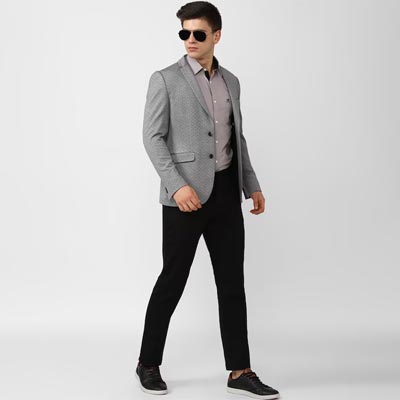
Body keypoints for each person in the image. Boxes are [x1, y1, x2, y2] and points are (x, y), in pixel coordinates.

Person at [136, 2, 280, 398]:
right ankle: (148, 363)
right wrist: (176, 185)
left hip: (226, 195)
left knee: (232, 284)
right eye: (184, 33)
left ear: (216, 35)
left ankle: (239, 371)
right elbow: (152, 138)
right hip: (184, 198)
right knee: (172, 281)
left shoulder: (231, 81)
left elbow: (237, 137)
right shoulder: (165, 79)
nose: (190, 40)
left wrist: (251, 184)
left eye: (198, 33)